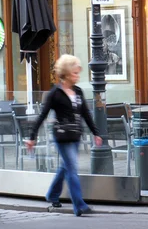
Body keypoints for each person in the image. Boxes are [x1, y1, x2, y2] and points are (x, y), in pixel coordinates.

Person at [26, 55, 102, 216]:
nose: (77, 76)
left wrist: (96, 133)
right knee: (72, 168)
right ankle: (79, 205)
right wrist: (32, 137)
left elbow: (86, 114)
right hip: (62, 136)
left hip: (75, 135)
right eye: (75, 73)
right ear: (66, 74)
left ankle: (52, 194)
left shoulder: (78, 91)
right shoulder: (55, 93)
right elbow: (42, 115)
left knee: (65, 166)